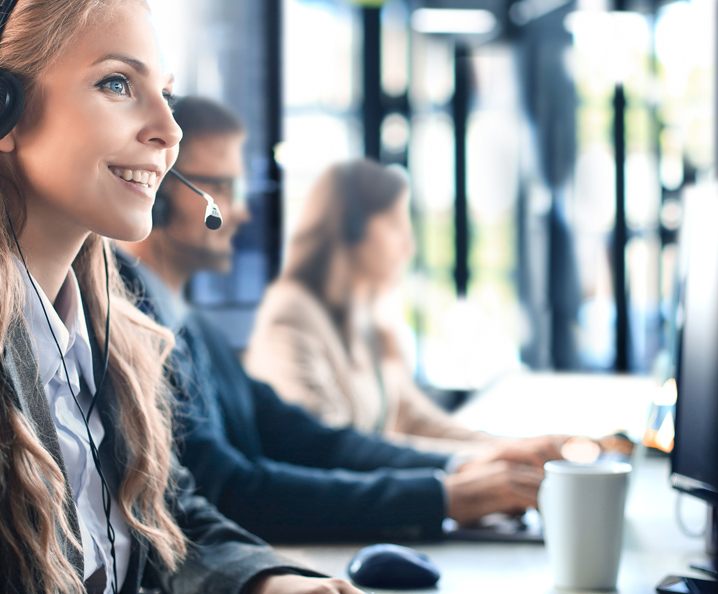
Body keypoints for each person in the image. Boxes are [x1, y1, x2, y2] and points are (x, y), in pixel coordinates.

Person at [0, 0, 361, 594]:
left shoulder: (108, 328)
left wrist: (270, 583)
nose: (169, 131)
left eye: (166, 95)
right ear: (0, 112)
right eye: (118, 84)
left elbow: (158, 519)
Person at [117, 96, 562, 545]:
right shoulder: (130, 325)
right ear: (159, 191)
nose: (240, 212)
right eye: (223, 188)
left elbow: (310, 439)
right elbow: (230, 491)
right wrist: (442, 497)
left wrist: (464, 467)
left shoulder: (195, 325)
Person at [244, 159, 533, 455]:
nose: (408, 246)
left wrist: (511, 448)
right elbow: (326, 445)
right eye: (396, 226)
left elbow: (412, 418)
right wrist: (484, 460)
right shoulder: (292, 315)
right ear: (350, 229)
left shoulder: (363, 315)